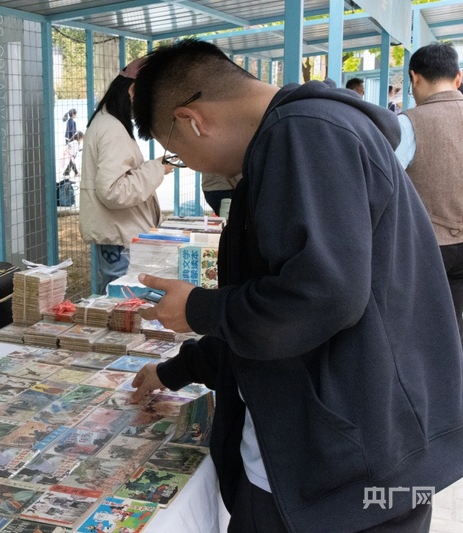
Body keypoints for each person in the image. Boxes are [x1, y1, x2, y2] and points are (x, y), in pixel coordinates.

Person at [129, 38, 463, 532]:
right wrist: (181, 367)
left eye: (176, 153)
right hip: (363, 459)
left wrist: (198, 309)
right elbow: (286, 300)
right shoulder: (309, 130)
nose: (190, 164)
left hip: (343, 475)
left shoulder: (302, 134)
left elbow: (320, 296)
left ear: (192, 120)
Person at [78, 57, 174, 295]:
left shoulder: (107, 122)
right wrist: (156, 168)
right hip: (120, 239)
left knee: (119, 300)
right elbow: (113, 191)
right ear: (132, 90)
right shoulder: (112, 128)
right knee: (122, 302)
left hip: (118, 236)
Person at [395, 42, 463, 344]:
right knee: (456, 322)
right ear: (458, 78)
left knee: (421, 328)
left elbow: (385, 182)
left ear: (415, 78)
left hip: (426, 244)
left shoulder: (408, 123)